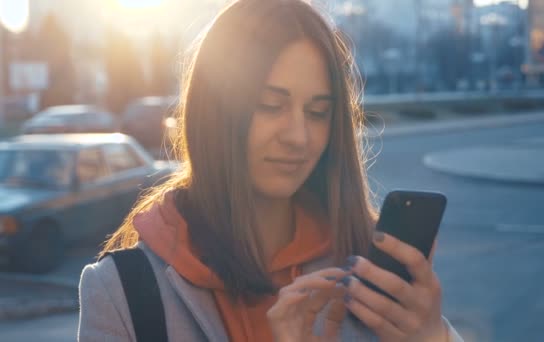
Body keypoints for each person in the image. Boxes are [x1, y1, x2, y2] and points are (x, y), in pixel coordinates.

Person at [78, 0, 463, 341]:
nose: (299, 136)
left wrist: (434, 337)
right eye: (270, 105)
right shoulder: (120, 292)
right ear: (216, 112)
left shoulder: (370, 271)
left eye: (317, 112)